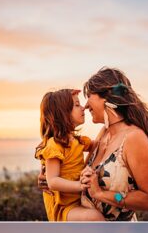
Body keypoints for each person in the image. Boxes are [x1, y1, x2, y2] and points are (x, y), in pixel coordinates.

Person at [77, 67, 148, 221]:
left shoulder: (134, 138)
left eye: (89, 96)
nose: (85, 106)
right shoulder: (104, 133)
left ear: (107, 98)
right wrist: (51, 178)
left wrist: (101, 194)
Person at [34, 89, 103, 222]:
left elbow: (99, 145)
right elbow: (52, 181)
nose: (84, 108)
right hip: (63, 208)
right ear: (63, 114)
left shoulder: (79, 141)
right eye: (77, 105)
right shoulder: (54, 145)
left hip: (78, 201)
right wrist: (80, 186)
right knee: (95, 217)